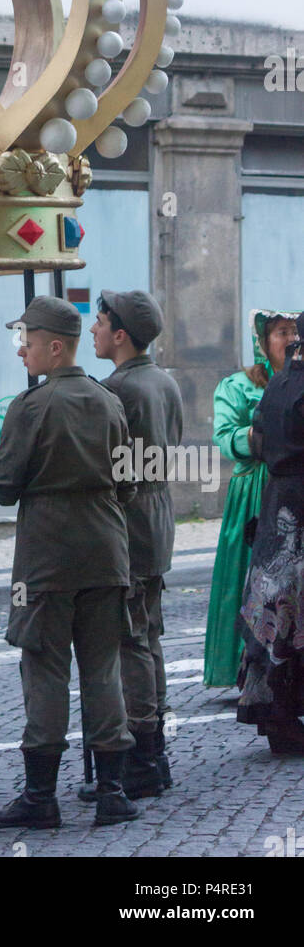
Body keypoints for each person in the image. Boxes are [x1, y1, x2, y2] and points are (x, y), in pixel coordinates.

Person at [0, 296, 138, 830]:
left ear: (55, 346)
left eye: (26, 339)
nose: (20, 349)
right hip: (105, 547)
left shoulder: (29, 407)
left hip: (47, 555)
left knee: (45, 668)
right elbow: (129, 481)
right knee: (103, 667)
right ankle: (113, 791)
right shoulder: (108, 401)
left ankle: (40, 797)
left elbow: (4, 487)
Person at [88, 290, 183, 799]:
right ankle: (155, 754)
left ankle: (142, 756)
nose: (93, 331)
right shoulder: (163, 381)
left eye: (99, 323)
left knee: (132, 640)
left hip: (129, 520)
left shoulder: (118, 389)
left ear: (120, 334)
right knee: (150, 634)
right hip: (159, 515)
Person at [204, 310, 300, 688]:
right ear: (262, 342)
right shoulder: (237, 386)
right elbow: (226, 436)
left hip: (293, 487)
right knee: (250, 577)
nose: (290, 339)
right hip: (256, 489)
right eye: (281, 332)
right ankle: (242, 667)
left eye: (294, 331)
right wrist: (265, 439)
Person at [237, 313, 304, 753]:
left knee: (276, 611)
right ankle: (284, 715)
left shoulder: (281, 381)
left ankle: (275, 716)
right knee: (292, 613)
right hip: (299, 508)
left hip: (278, 501)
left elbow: (259, 441)